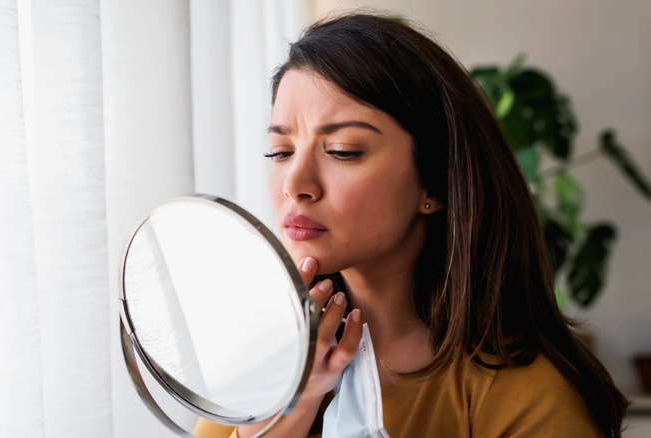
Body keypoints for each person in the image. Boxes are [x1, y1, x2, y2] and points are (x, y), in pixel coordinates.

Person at [195, 11, 627, 438]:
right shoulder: (266, 365)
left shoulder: (524, 394)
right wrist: (292, 409)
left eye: (343, 151)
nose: (295, 184)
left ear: (434, 184)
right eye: (280, 152)